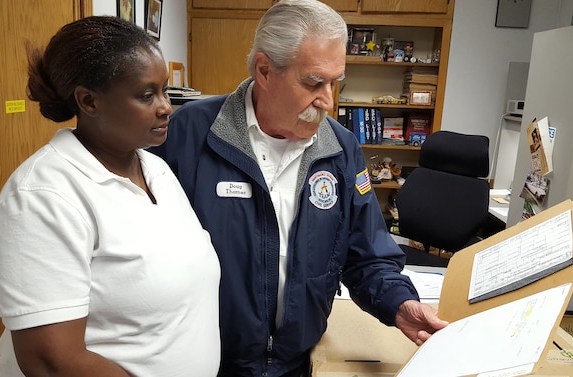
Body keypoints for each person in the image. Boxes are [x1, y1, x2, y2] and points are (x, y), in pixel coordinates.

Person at [149, 1, 448, 376]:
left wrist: (399, 303)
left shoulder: (341, 148)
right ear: (264, 70)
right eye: (313, 82)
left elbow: (366, 253)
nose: (328, 100)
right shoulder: (187, 135)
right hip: (207, 363)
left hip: (297, 363)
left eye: (335, 82)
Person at [0, 16, 221, 377]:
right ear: (88, 101)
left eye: (165, 91)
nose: (166, 106)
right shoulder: (43, 197)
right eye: (146, 95)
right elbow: (52, 361)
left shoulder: (154, 169)